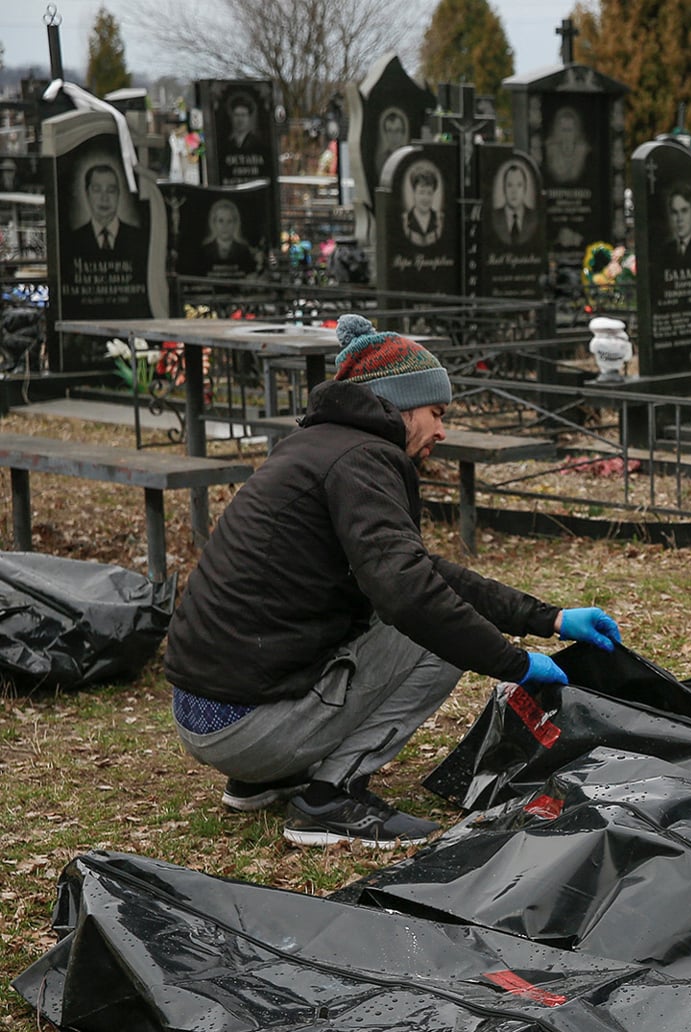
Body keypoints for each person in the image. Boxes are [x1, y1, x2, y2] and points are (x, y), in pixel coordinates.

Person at [165, 314, 626, 848]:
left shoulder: (318, 446)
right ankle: (327, 798)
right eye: (436, 413)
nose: (441, 430)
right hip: (245, 726)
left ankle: (266, 779)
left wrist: (548, 618)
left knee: (421, 608)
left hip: (209, 710)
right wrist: (516, 663)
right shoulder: (363, 459)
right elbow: (414, 595)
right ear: (400, 405)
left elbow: (419, 570)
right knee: (437, 638)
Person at [66, 163, 147, 258]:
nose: (104, 198)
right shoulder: (72, 241)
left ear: (118, 194)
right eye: (97, 190)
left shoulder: (138, 238)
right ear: (87, 194)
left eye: (111, 190)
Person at [199, 198, 259, 277]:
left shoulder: (244, 251)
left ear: (235, 223)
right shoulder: (204, 251)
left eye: (229, 221)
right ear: (213, 223)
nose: (225, 226)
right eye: (221, 221)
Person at [491, 159, 537, 247]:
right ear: (504, 189)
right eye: (509, 185)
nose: (514, 191)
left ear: (525, 189)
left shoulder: (534, 217)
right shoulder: (494, 217)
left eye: (519, 185)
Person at [544, 105, 589, 185]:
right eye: (563, 130)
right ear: (557, 131)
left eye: (569, 130)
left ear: (576, 132)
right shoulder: (551, 150)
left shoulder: (582, 150)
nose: (566, 135)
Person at [403, 163, 443, 246]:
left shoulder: (440, 221)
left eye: (429, 193)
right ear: (414, 193)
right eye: (421, 192)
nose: (426, 198)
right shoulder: (405, 221)